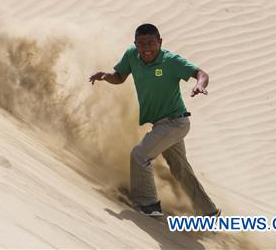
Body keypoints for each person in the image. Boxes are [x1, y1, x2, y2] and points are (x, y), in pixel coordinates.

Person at [89, 23, 220, 217]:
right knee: (179, 168)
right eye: (141, 44)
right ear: (135, 44)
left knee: (140, 155)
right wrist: (107, 76)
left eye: (151, 43)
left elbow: (201, 73)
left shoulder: (170, 61)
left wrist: (200, 85)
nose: (146, 48)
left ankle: (148, 205)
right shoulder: (132, 55)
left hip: (176, 122)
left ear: (160, 42)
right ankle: (209, 212)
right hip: (162, 124)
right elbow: (120, 76)